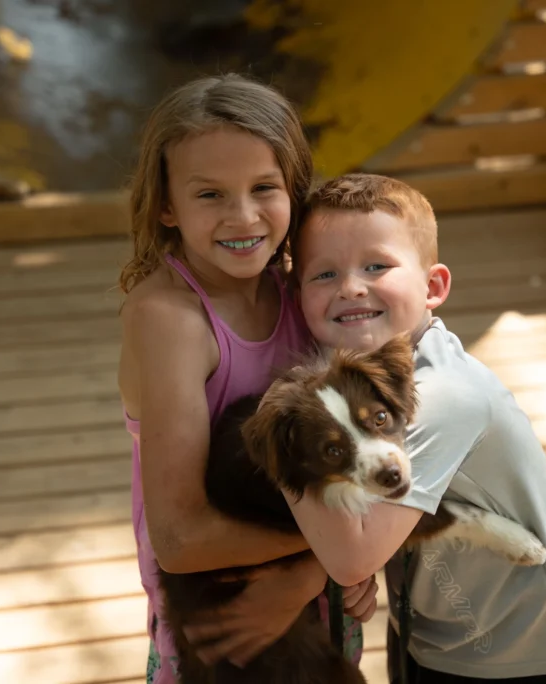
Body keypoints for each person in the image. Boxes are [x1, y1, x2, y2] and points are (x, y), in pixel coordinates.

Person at [283, 173, 546, 682]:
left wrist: (280, 440)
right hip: (429, 624)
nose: (351, 287)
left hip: (513, 649)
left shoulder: (446, 397)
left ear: (433, 287)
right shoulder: (356, 371)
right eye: (324, 275)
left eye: (376, 266)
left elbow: (351, 557)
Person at [116, 73, 368, 683]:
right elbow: (178, 539)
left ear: (294, 192)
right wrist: (336, 554)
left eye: (264, 187)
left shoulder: (302, 292)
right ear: (165, 205)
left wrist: (317, 572)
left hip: (318, 595)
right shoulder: (170, 320)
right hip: (221, 627)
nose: (243, 215)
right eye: (210, 195)